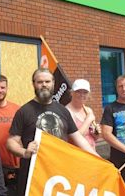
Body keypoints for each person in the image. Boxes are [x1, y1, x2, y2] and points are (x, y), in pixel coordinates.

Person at [6, 68, 100, 196]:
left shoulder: (63, 111)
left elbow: (79, 139)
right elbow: (11, 142)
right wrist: (24, 152)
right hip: (34, 176)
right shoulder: (24, 111)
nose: (44, 85)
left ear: (53, 83)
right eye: (40, 82)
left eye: (47, 81)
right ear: (33, 84)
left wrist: (100, 160)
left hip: (60, 174)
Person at [66, 79, 101, 150]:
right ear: (72, 93)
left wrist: (96, 133)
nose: (82, 95)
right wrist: (88, 120)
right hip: (78, 155)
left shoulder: (88, 110)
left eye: (85, 92)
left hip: (91, 152)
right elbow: (74, 140)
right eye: (78, 91)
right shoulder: (67, 112)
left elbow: (95, 138)